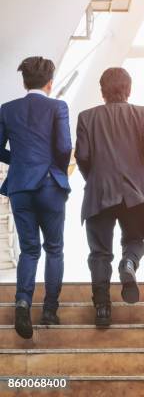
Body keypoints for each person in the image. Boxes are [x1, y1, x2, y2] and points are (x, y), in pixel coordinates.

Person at [75, 67, 144, 327]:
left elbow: (82, 156)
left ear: (102, 91)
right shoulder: (143, 113)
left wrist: (94, 178)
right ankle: (129, 262)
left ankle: (102, 308)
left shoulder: (86, 117)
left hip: (98, 192)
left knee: (99, 253)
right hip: (134, 191)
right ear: (129, 89)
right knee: (135, 239)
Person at [0, 56, 71, 339]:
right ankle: (50, 310)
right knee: (54, 248)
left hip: (20, 187)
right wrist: (54, 168)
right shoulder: (58, 107)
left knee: (29, 250)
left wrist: (18, 161)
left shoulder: (7, 109)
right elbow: (65, 147)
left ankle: (23, 301)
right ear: (50, 83)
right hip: (50, 185)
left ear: (24, 81)